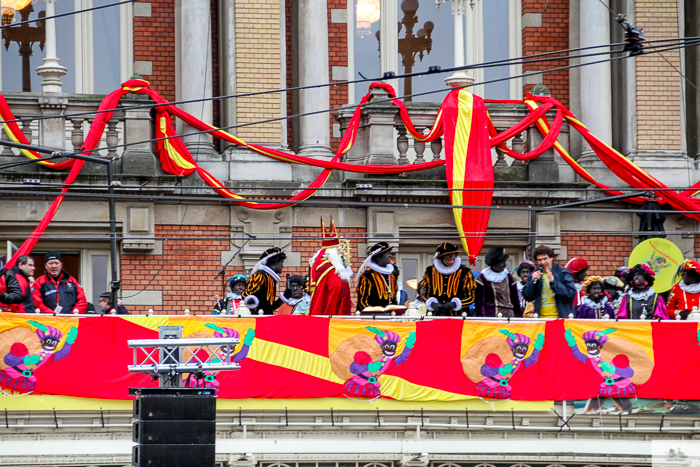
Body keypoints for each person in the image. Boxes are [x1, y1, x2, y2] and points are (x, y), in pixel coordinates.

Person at [308, 216, 353, 315]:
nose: (341, 252)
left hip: (318, 309)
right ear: (332, 253)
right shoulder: (330, 269)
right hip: (330, 313)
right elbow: (335, 289)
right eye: (338, 249)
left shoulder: (318, 264)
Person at [419, 242, 476, 316]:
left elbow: (471, 297)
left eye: (453, 256)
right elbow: (424, 294)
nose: (451, 258)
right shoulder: (430, 271)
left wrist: (455, 304)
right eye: (448, 256)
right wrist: (432, 303)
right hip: (435, 315)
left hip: (458, 316)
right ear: (441, 257)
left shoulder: (465, 272)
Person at [522, 245, 577, 318]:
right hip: (540, 318)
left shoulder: (563, 272)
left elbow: (570, 294)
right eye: (539, 260)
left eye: (545, 258)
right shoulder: (534, 274)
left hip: (560, 318)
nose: (543, 262)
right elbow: (528, 297)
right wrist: (532, 282)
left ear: (551, 258)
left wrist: (553, 281)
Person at [474, 247, 521, 317]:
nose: (505, 265)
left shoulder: (509, 277)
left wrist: (518, 318)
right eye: (502, 262)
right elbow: (479, 305)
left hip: (510, 318)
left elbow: (515, 301)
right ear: (494, 262)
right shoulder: (482, 279)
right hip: (491, 317)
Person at [355, 242, 398, 312]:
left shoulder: (392, 276)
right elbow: (362, 302)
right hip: (373, 318)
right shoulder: (367, 277)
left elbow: (394, 299)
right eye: (387, 253)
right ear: (378, 257)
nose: (390, 256)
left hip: (390, 317)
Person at [243, 248, 286, 315]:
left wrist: (284, 296)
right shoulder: (260, 276)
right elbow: (247, 297)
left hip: (265, 319)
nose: (283, 266)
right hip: (257, 319)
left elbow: (270, 308)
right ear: (275, 261)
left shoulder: (271, 279)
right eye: (281, 262)